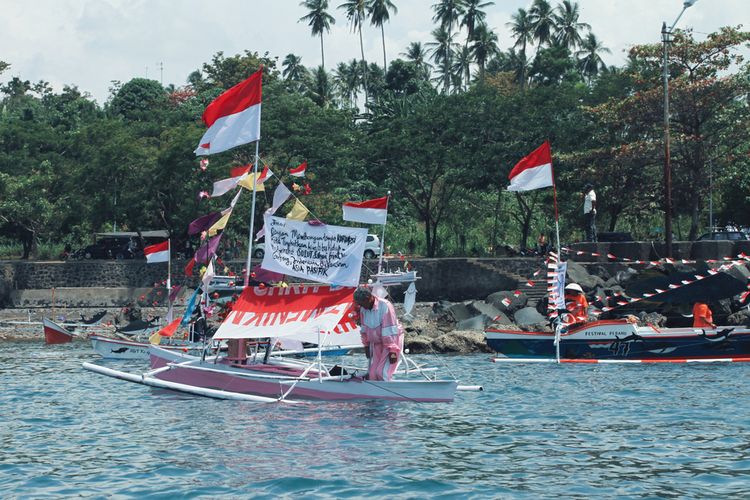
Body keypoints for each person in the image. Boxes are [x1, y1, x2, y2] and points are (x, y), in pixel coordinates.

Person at [353, 287, 404, 381]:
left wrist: (393, 351)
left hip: (391, 342)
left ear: (369, 298)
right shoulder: (363, 309)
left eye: (362, 303)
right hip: (376, 343)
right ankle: (373, 394)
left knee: (382, 372)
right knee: (372, 374)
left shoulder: (385, 306)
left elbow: (390, 330)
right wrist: (366, 346)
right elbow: (364, 330)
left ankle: (388, 393)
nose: (361, 306)